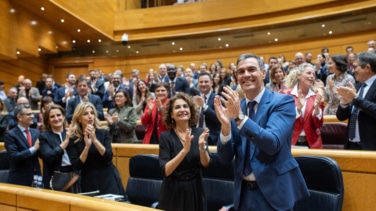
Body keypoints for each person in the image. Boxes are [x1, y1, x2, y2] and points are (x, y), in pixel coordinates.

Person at [214, 53, 309, 211]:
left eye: (251, 69)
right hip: (243, 195)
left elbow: (272, 143)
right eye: (241, 71)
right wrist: (225, 128)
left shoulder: (282, 102)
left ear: (263, 73)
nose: (246, 75)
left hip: (274, 194)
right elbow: (224, 158)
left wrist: (239, 118)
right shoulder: (237, 107)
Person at [158, 92, 210, 211]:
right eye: (177, 107)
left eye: (185, 106)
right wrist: (185, 150)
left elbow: (206, 164)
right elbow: (166, 170)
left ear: (191, 111)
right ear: (171, 115)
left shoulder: (200, 133)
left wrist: (202, 147)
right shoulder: (165, 137)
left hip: (195, 189)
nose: (182, 109)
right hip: (173, 191)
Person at [66, 102, 125, 195]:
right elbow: (76, 165)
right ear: (79, 119)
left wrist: (95, 140)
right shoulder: (73, 138)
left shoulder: (103, 132)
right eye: (85, 114)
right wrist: (87, 146)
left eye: (92, 113)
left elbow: (108, 157)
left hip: (108, 178)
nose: (90, 116)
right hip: (88, 180)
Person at [336, 52, 376, 150]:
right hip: (351, 145)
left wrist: (355, 98)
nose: (352, 70)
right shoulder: (356, 87)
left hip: (371, 146)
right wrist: (344, 103)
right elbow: (341, 117)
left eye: (355, 67)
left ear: (367, 67)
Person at [283, 63, 324, 149]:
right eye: (309, 73)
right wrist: (298, 109)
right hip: (291, 142)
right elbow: (283, 120)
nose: (312, 76)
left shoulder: (317, 96)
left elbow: (318, 125)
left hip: (312, 143)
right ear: (298, 75)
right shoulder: (285, 95)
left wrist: (316, 108)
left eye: (313, 74)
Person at [38, 104, 75, 190]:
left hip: (74, 174)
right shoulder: (44, 136)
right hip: (55, 176)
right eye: (52, 116)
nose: (56, 118)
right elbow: (49, 157)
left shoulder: (72, 133)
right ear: (47, 120)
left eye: (58, 115)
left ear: (64, 117)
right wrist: (65, 142)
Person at [4, 104, 41, 186]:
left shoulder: (36, 132)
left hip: (37, 177)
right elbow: (14, 156)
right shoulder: (10, 135)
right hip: (19, 179)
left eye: (32, 114)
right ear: (19, 117)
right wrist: (34, 148)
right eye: (28, 114)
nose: (32, 116)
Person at [193, 72, 221, 145]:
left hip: (212, 138)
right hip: (195, 137)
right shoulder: (193, 99)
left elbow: (219, 118)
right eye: (201, 82)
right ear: (198, 84)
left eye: (206, 82)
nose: (203, 84)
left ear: (211, 83)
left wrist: (204, 106)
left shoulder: (217, 98)